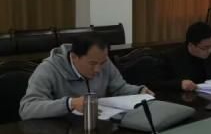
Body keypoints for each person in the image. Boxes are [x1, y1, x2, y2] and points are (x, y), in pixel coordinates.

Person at [19, 35, 153, 120]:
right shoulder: (48, 69)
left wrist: (139, 91)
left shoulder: (102, 60)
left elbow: (119, 87)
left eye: (102, 63)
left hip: (98, 127)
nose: (98, 69)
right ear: (74, 57)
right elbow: (27, 108)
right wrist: (70, 104)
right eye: (92, 64)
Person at [157, 22, 211, 91]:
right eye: (205, 48)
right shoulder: (171, 57)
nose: (210, 51)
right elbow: (157, 83)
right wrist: (179, 84)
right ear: (191, 45)